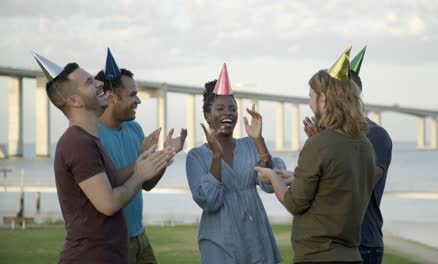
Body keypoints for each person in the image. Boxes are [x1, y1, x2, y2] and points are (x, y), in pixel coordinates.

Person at [32, 52, 176, 263]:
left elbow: (114, 182)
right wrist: (140, 174)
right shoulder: (77, 143)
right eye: (90, 82)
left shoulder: (90, 139)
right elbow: (108, 203)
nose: (100, 84)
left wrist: (147, 162)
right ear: (74, 100)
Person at [256, 48, 375, 264]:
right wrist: (296, 178)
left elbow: (294, 203)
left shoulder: (318, 145)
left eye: (311, 96)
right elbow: (336, 185)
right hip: (352, 256)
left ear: (324, 99)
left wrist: (273, 178)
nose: (309, 104)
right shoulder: (365, 145)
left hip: (317, 257)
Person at [95, 49, 187, 263]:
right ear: (111, 97)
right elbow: (107, 189)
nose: (138, 101)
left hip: (139, 235)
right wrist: (140, 162)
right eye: (132, 95)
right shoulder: (94, 137)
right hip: (112, 241)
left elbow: (146, 184)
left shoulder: (134, 129)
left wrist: (166, 154)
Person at [185, 64, 283, 264]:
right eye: (220, 108)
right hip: (220, 244)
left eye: (232, 108)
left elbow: (269, 184)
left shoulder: (249, 145)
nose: (227, 113)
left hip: (256, 240)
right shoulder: (195, 157)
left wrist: (258, 140)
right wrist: (216, 157)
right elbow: (210, 201)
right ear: (207, 115)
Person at [349, 47, 393, 264]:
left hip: (364, 244)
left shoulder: (376, 135)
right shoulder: (328, 136)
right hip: (336, 243)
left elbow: (360, 183)